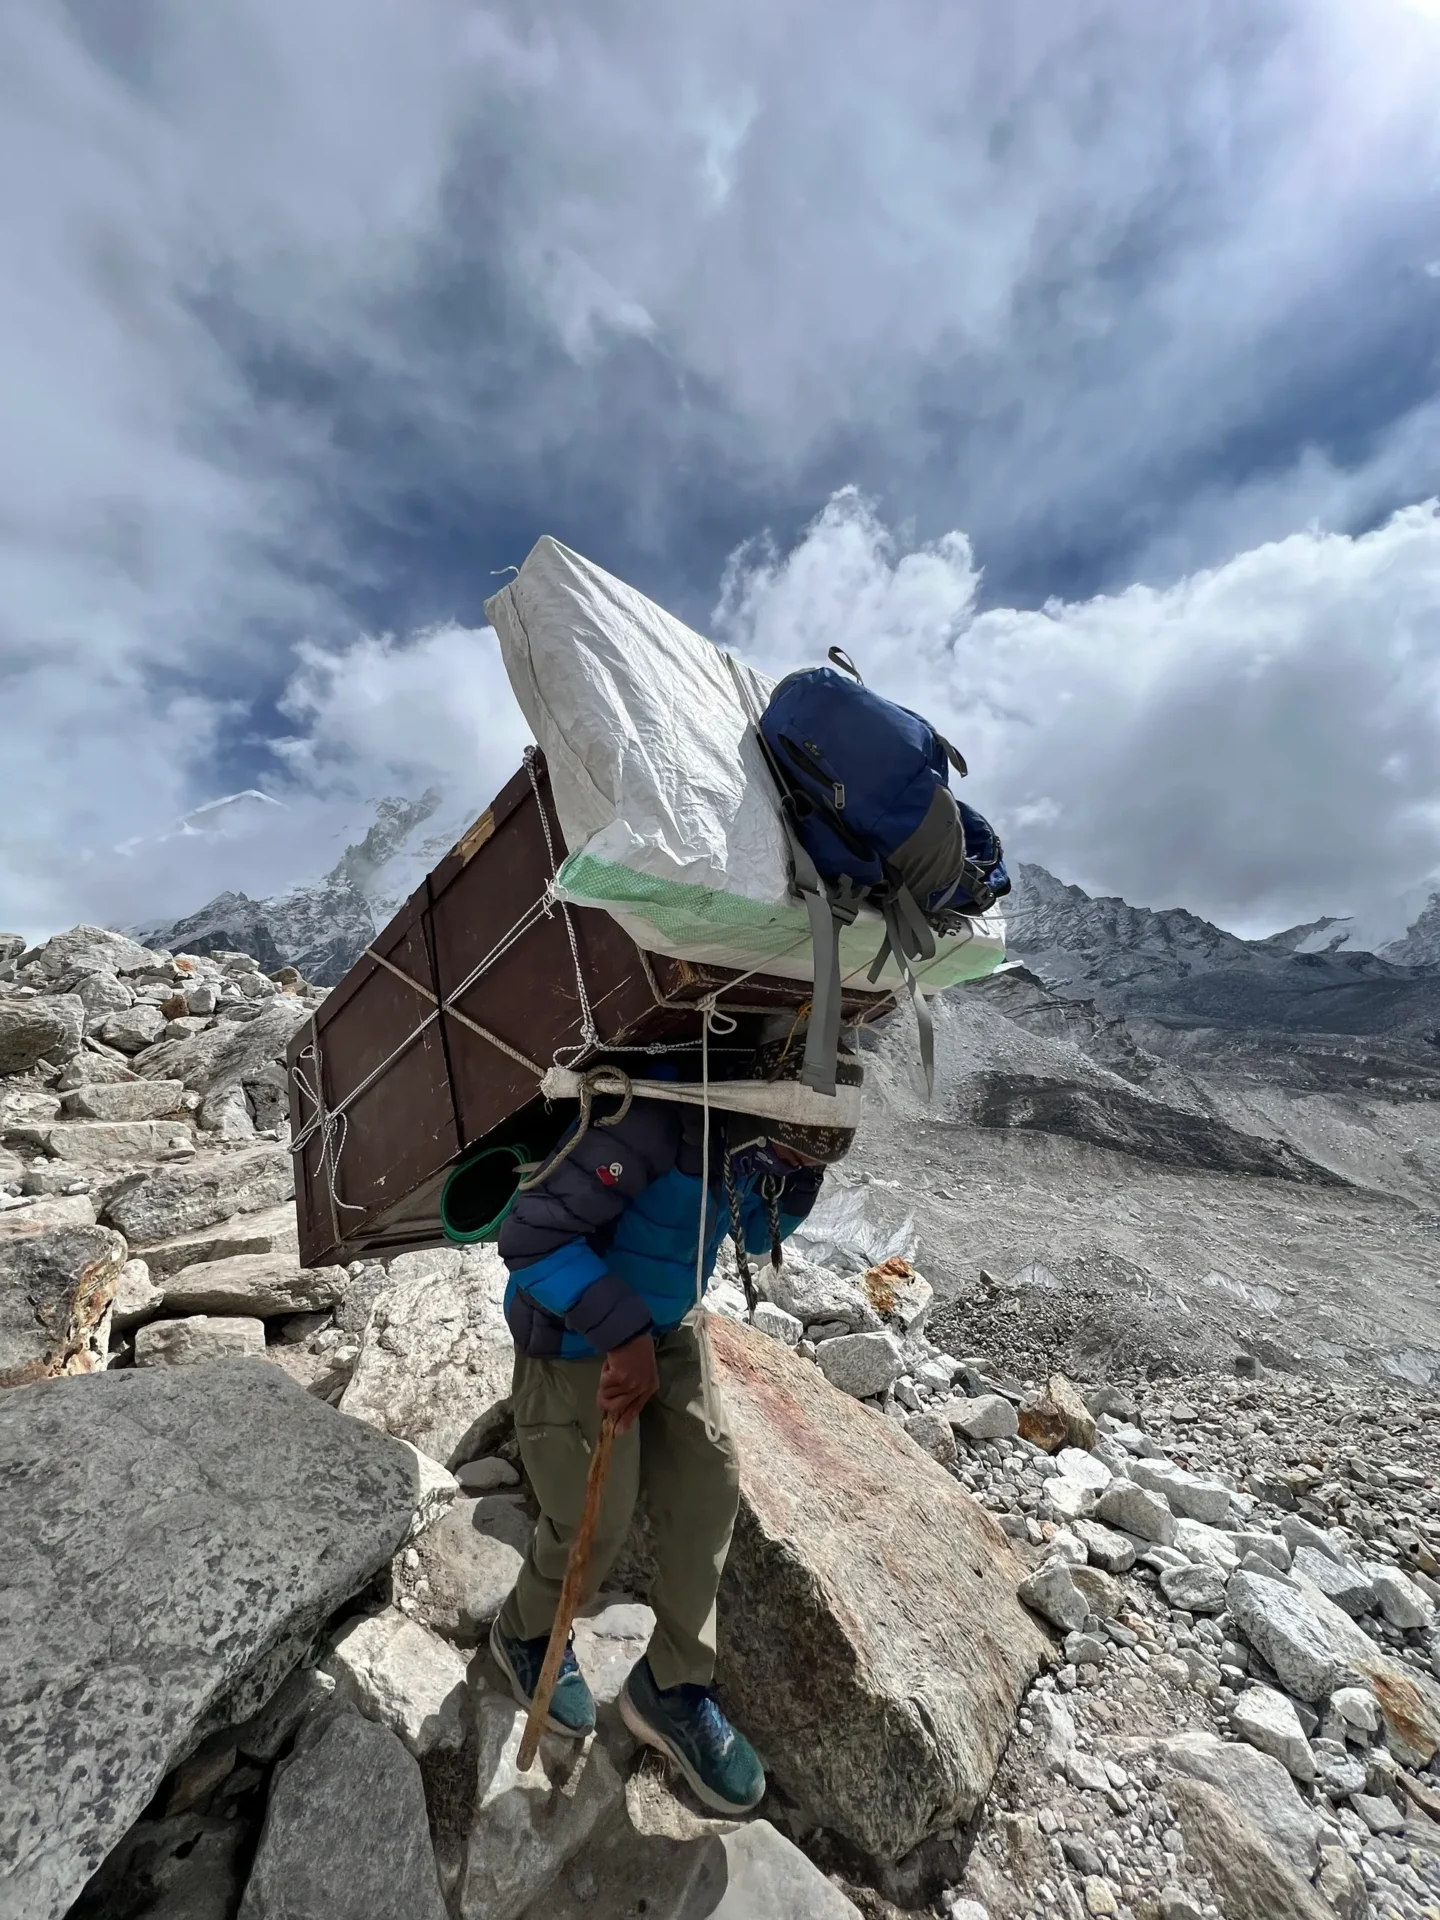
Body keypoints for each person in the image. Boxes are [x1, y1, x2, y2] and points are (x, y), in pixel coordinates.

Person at [488, 1044, 859, 1816]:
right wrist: (621, 1338)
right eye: (795, 1143)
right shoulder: (650, 1124)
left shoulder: (753, 1146)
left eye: (813, 1153)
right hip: (574, 1335)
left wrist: (792, 1182)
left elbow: (753, 1236)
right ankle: (525, 1635)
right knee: (597, 1516)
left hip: (663, 1325)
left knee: (708, 1483)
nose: (796, 1158)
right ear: (763, 1103)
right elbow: (529, 1236)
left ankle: (671, 1683)